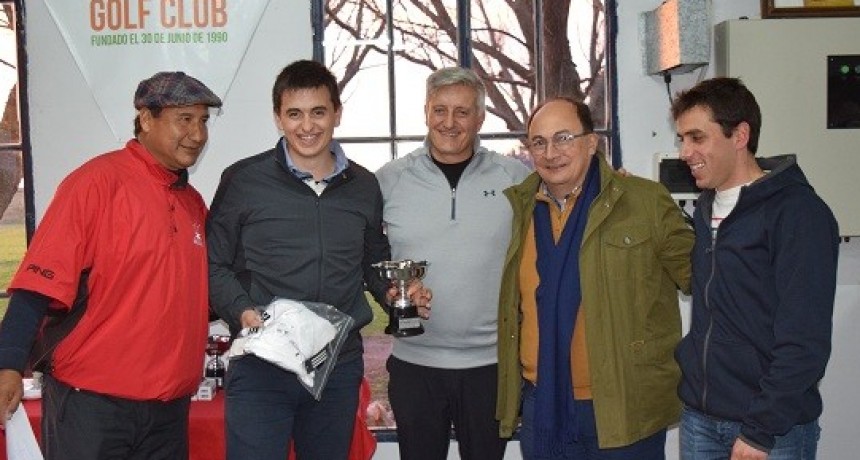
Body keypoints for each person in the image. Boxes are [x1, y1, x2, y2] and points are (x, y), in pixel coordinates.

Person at [206, 59, 429, 460]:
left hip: (336, 367)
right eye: (294, 114)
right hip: (262, 363)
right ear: (278, 118)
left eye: (318, 112)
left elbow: (373, 262)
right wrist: (241, 311)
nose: (307, 126)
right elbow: (213, 262)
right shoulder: (243, 180)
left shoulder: (364, 185)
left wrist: (397, 293)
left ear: (337, 114)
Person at [0, 71, 221, 459]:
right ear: (146, 119)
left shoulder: (192, 203)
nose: (198, 134)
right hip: (92, 407)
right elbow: (37, 285)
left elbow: (205, 296)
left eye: (203, 120)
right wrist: (8, 363)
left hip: (167, 411)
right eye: (185, 119)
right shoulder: (95, 184)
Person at [497, 97, 694, 459]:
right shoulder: (521, 208)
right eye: (539, 142)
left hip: (624, 405)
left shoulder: (644, 201)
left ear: (591, 142)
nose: (550, 153)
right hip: (543, 404)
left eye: (563, 138)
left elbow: (702, 278)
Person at [671, 77, 839, 460]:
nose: (684, 152)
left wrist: (760, 430)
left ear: (740, 135)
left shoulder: (798, 213)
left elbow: (805, 340)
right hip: (700, 418)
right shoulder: (705, 208)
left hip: (769, 432)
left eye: (697, 138)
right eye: (681, 139)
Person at [375, 66, 530, 460]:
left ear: (480, 118)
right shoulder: (389, 180)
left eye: (462, 112)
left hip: (491, 367)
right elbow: (365, 257)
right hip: (414, 366)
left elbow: (563, 216)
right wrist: (389, 294)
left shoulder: (516, 178)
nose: (449, 122)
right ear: (426, 112)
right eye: (440, 110)